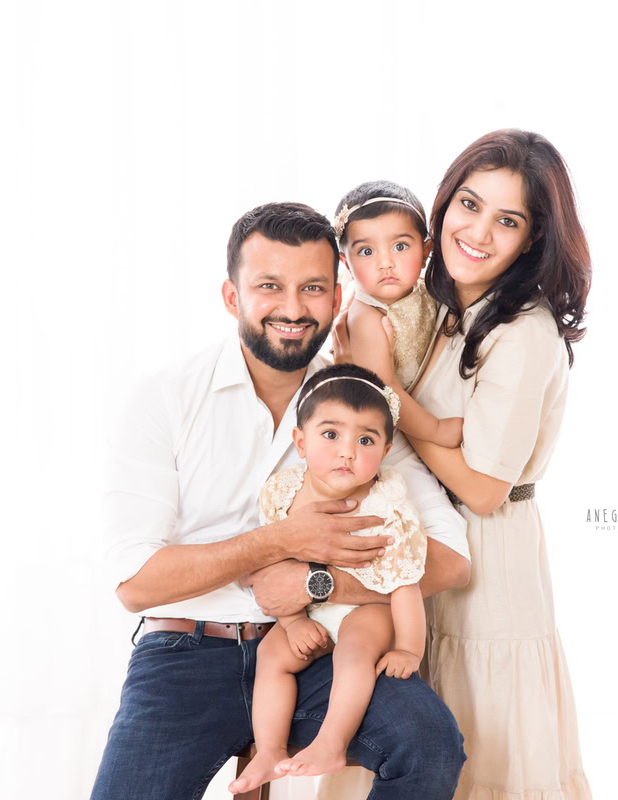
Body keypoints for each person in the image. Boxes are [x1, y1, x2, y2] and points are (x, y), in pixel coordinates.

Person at [89, 202, 470, 800]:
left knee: (428, 741)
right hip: (185, 651)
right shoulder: (165, 398)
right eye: (270, 287)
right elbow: (135, 582)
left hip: (317, 649)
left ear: (338, 297)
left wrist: (317, 585)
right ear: (231, 296)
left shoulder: (357, 405)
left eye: (313, 288)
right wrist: (281, 542)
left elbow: (452, 558)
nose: (293, 310)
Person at [330, 129, 594, 799]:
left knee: (485, 760)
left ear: (532, 238)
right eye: (468, 206)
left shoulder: (524, 331)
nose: (477, 231)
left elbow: (481, 488)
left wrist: (387, 402)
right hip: (422, 545)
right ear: (441, 208)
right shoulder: (440, 309)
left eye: (507, 220)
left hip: (488, 569)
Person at [228, 363, 429, 794]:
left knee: (354, 652)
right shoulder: (282, 492)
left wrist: (409, 648)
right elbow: (268, 568)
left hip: (366, 609)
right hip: (307, 612)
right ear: (300, 442)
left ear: (386, 448)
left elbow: (405, 582)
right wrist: (293, 623)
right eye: (331, 434)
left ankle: (331, 743)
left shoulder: (388, 504)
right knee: (272, 657)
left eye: (366, 440)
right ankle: (269, 749)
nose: (347, 452)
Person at [331, 180, 462, 448]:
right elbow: (385, 392)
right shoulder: (367, 318)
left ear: (426, 251)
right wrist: (436, 430)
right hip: (395, 427)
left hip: (427, 402)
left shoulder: (425, 287)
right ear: (346, 262)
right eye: (367, 251)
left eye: (400, 246)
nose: (386, 263)